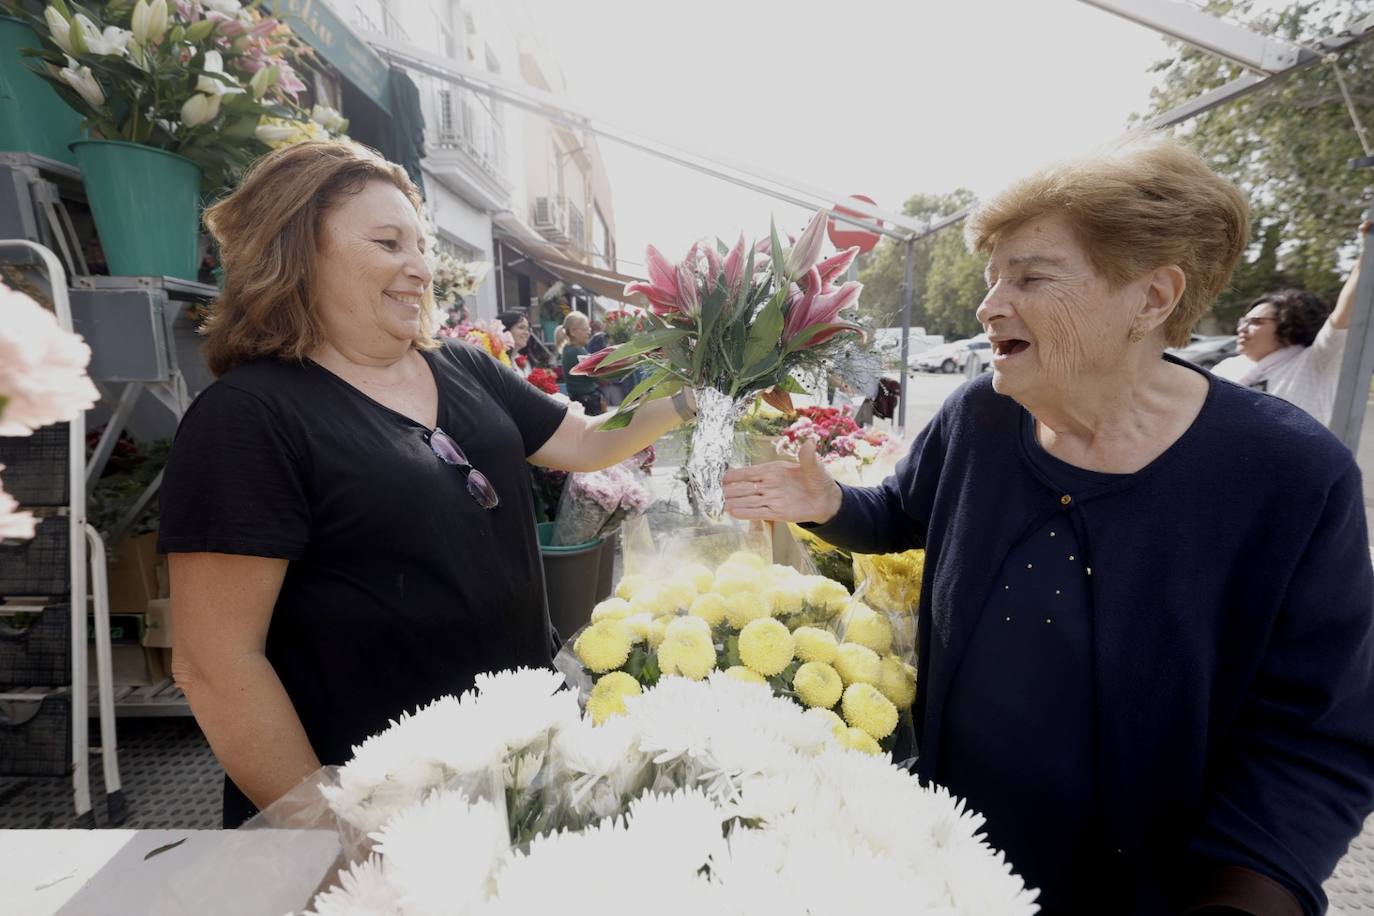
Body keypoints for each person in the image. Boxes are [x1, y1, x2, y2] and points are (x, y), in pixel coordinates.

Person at [723, 137, 1374, 915]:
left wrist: (1247, 896)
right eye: (994, 276)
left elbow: (1314, 742)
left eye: (1029, 277)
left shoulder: (1291, 476)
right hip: (944, 857)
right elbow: (903, 514)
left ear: (1152, 298)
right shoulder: (981, 415)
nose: (989, 304)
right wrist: (829, 504)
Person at [158, 141, 697, 828]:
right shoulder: (247, 418)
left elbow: (588, 439)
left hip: (517, 769)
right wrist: (332, 836)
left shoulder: (464, 368)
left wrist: (698, 392)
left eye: (421, 245)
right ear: (296, 254)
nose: (420, 268)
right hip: (382, 811)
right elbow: (215, 664)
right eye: (389, 244)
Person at [1212, 221, 1369, 426]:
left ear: (1289, 327)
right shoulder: (1226, 368)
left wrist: (1367, 253)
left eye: (1256, 322)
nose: (1242, 328)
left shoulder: (1315, 362)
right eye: (1244, 321)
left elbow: (1343, 316)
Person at [560, 311, 603, 416]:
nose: (589, 331)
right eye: (585, 329)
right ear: (573, 331)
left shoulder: (570, 349)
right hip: (586, 400)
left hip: (582, 398)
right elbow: (594, 374)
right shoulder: (576, 351)